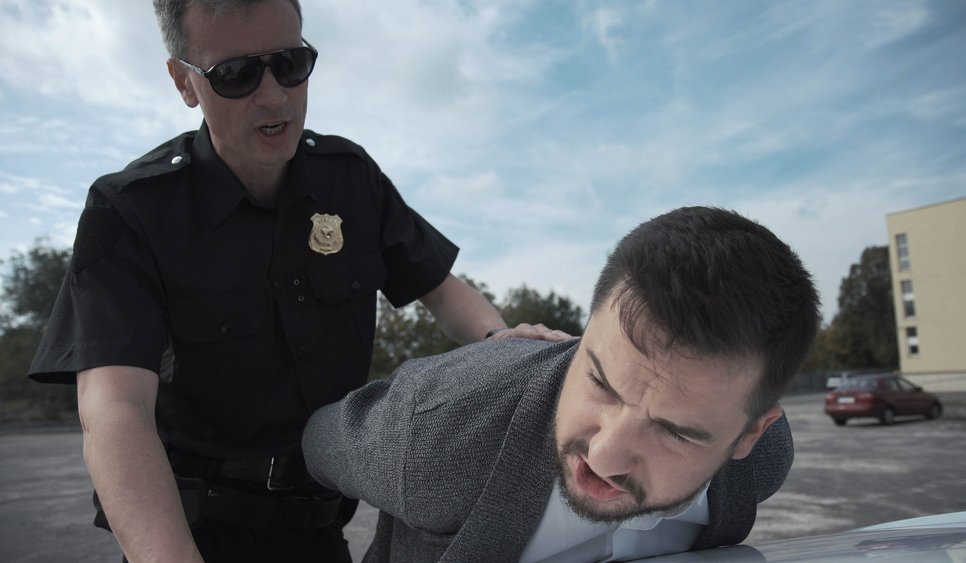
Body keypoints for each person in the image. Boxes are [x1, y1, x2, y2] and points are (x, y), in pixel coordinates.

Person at [26, 1, 566, 561]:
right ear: (185, 82)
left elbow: (441, 288)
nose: (274, 97)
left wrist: (497, 343)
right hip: (194, 535)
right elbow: (114, 409)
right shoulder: (130, 211)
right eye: (235, 74)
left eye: (289, 63)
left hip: (320, 531)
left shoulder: (350, 179)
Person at [303, 206, 821, 562]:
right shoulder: (434, 436)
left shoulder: (763, 460)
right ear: (579, 335)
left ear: (749, 435)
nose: (605, 455)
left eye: (676, 432)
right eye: (601, 381)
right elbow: (317, 440)